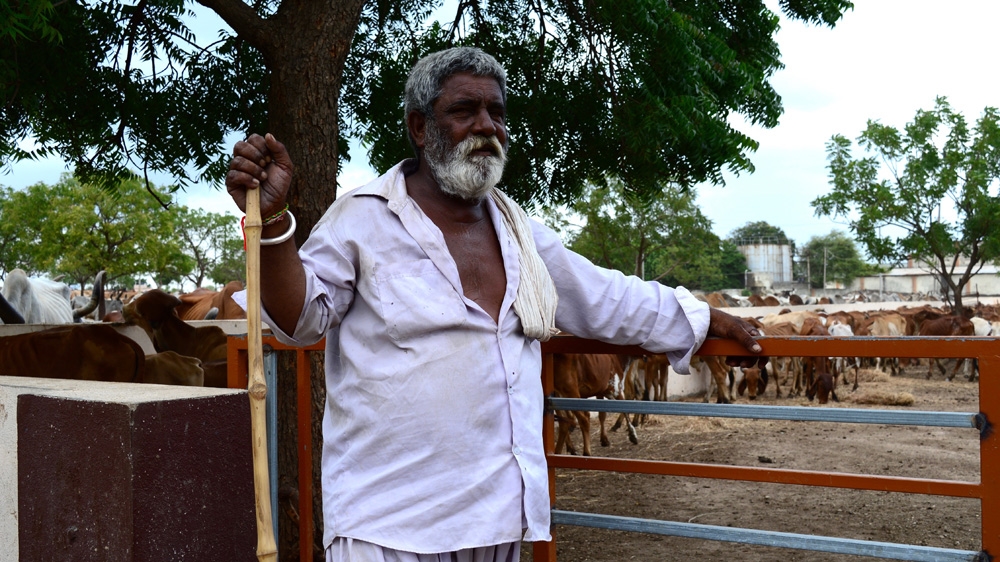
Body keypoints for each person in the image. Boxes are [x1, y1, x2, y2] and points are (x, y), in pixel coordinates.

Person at [226, 46, 765, 562]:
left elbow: (605, 296)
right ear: (420, 128)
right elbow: (300, 320)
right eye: (464, 110)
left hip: (497, 518)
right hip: (387, 523)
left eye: (496, 112)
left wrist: (708, 317)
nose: (487, 126)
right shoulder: (362, 219)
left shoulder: (517, 230)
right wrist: (271, 223)